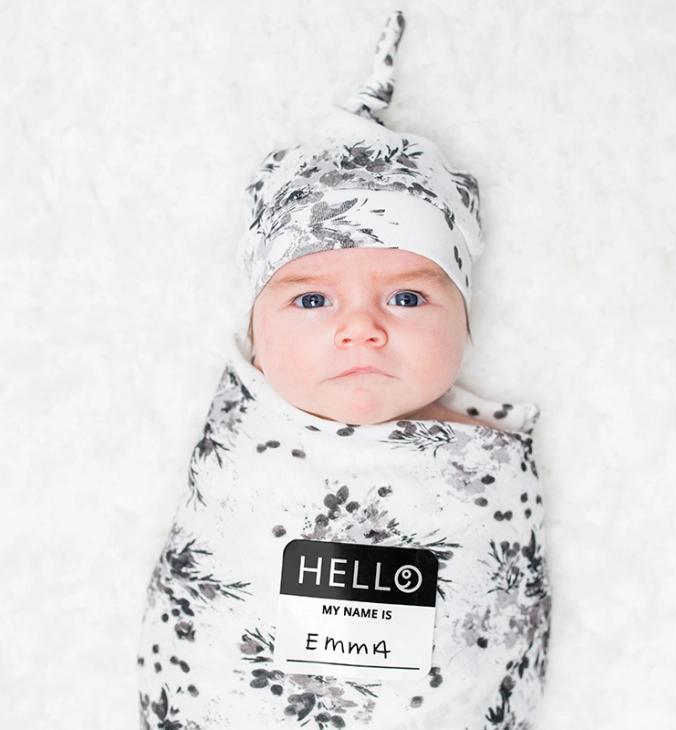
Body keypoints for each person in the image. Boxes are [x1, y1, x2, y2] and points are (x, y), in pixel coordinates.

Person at [137, 12, 551, 729]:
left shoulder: (480, 460)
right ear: (257, 341)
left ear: (466, 325)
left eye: (407, 297)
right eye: (312, 299)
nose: (362, 327)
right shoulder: (241, 449)